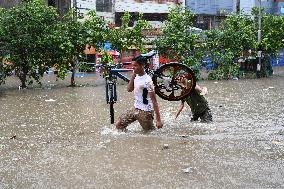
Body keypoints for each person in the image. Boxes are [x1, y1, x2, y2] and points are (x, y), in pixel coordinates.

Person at [115, 55, 163, 130]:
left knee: (149, 133)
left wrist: (158, 120)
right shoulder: (136, 76)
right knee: (119, 125)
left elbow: (154, 101)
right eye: (132, 65)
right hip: (136, 108)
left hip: (146, 111)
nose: (133, 67)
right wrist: (134, 75)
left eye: (135, 65)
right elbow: (129, 89)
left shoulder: (148, 81)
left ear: (142, 66)